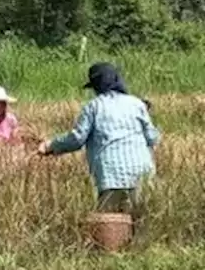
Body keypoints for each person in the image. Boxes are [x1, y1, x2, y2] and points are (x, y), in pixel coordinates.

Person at [37, 63, 160, 213]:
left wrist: (51, 145)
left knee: (110, 227)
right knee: (141, 222)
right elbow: (153, 138)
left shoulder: (93, 107)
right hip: (143, 175)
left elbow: (77, 139)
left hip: (111, 178)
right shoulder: (137, 104)